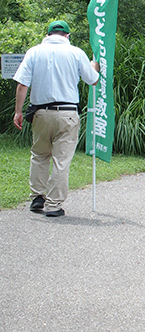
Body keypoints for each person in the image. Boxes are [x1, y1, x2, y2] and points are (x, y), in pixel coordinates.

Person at [13, 20, 100, 217]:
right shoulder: (76, 53)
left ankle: (37, 197)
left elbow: (22, 85)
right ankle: (53, 205)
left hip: (41, 113)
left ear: (48, 34)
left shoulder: (34, 52)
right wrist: (93, 66)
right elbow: (92, 79)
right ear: (67, 35)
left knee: (40, 155)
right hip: (68, 113)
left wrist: (18, 111)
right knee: (61, 160)